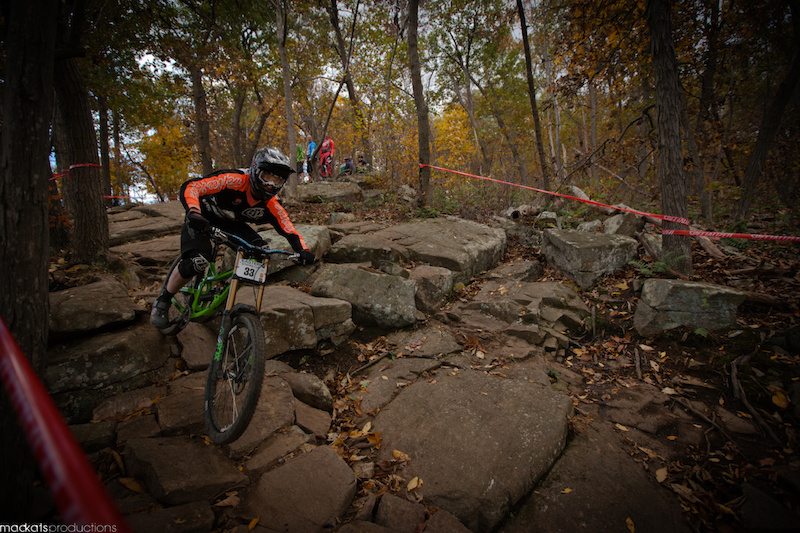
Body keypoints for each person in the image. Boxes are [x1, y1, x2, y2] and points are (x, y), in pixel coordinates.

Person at [150, 147, 316, 329]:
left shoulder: (271, 204)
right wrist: (194, 212)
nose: (270, 184)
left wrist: (304, 251)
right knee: (198, 260)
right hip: (202, 216)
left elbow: (289, 229)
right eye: (267, 177)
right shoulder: (233, 180)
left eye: (277, 180)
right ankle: (162, 301)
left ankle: (225, 292)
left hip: (230, 223)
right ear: (255, 170)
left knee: (259, 250)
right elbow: (192, 186)